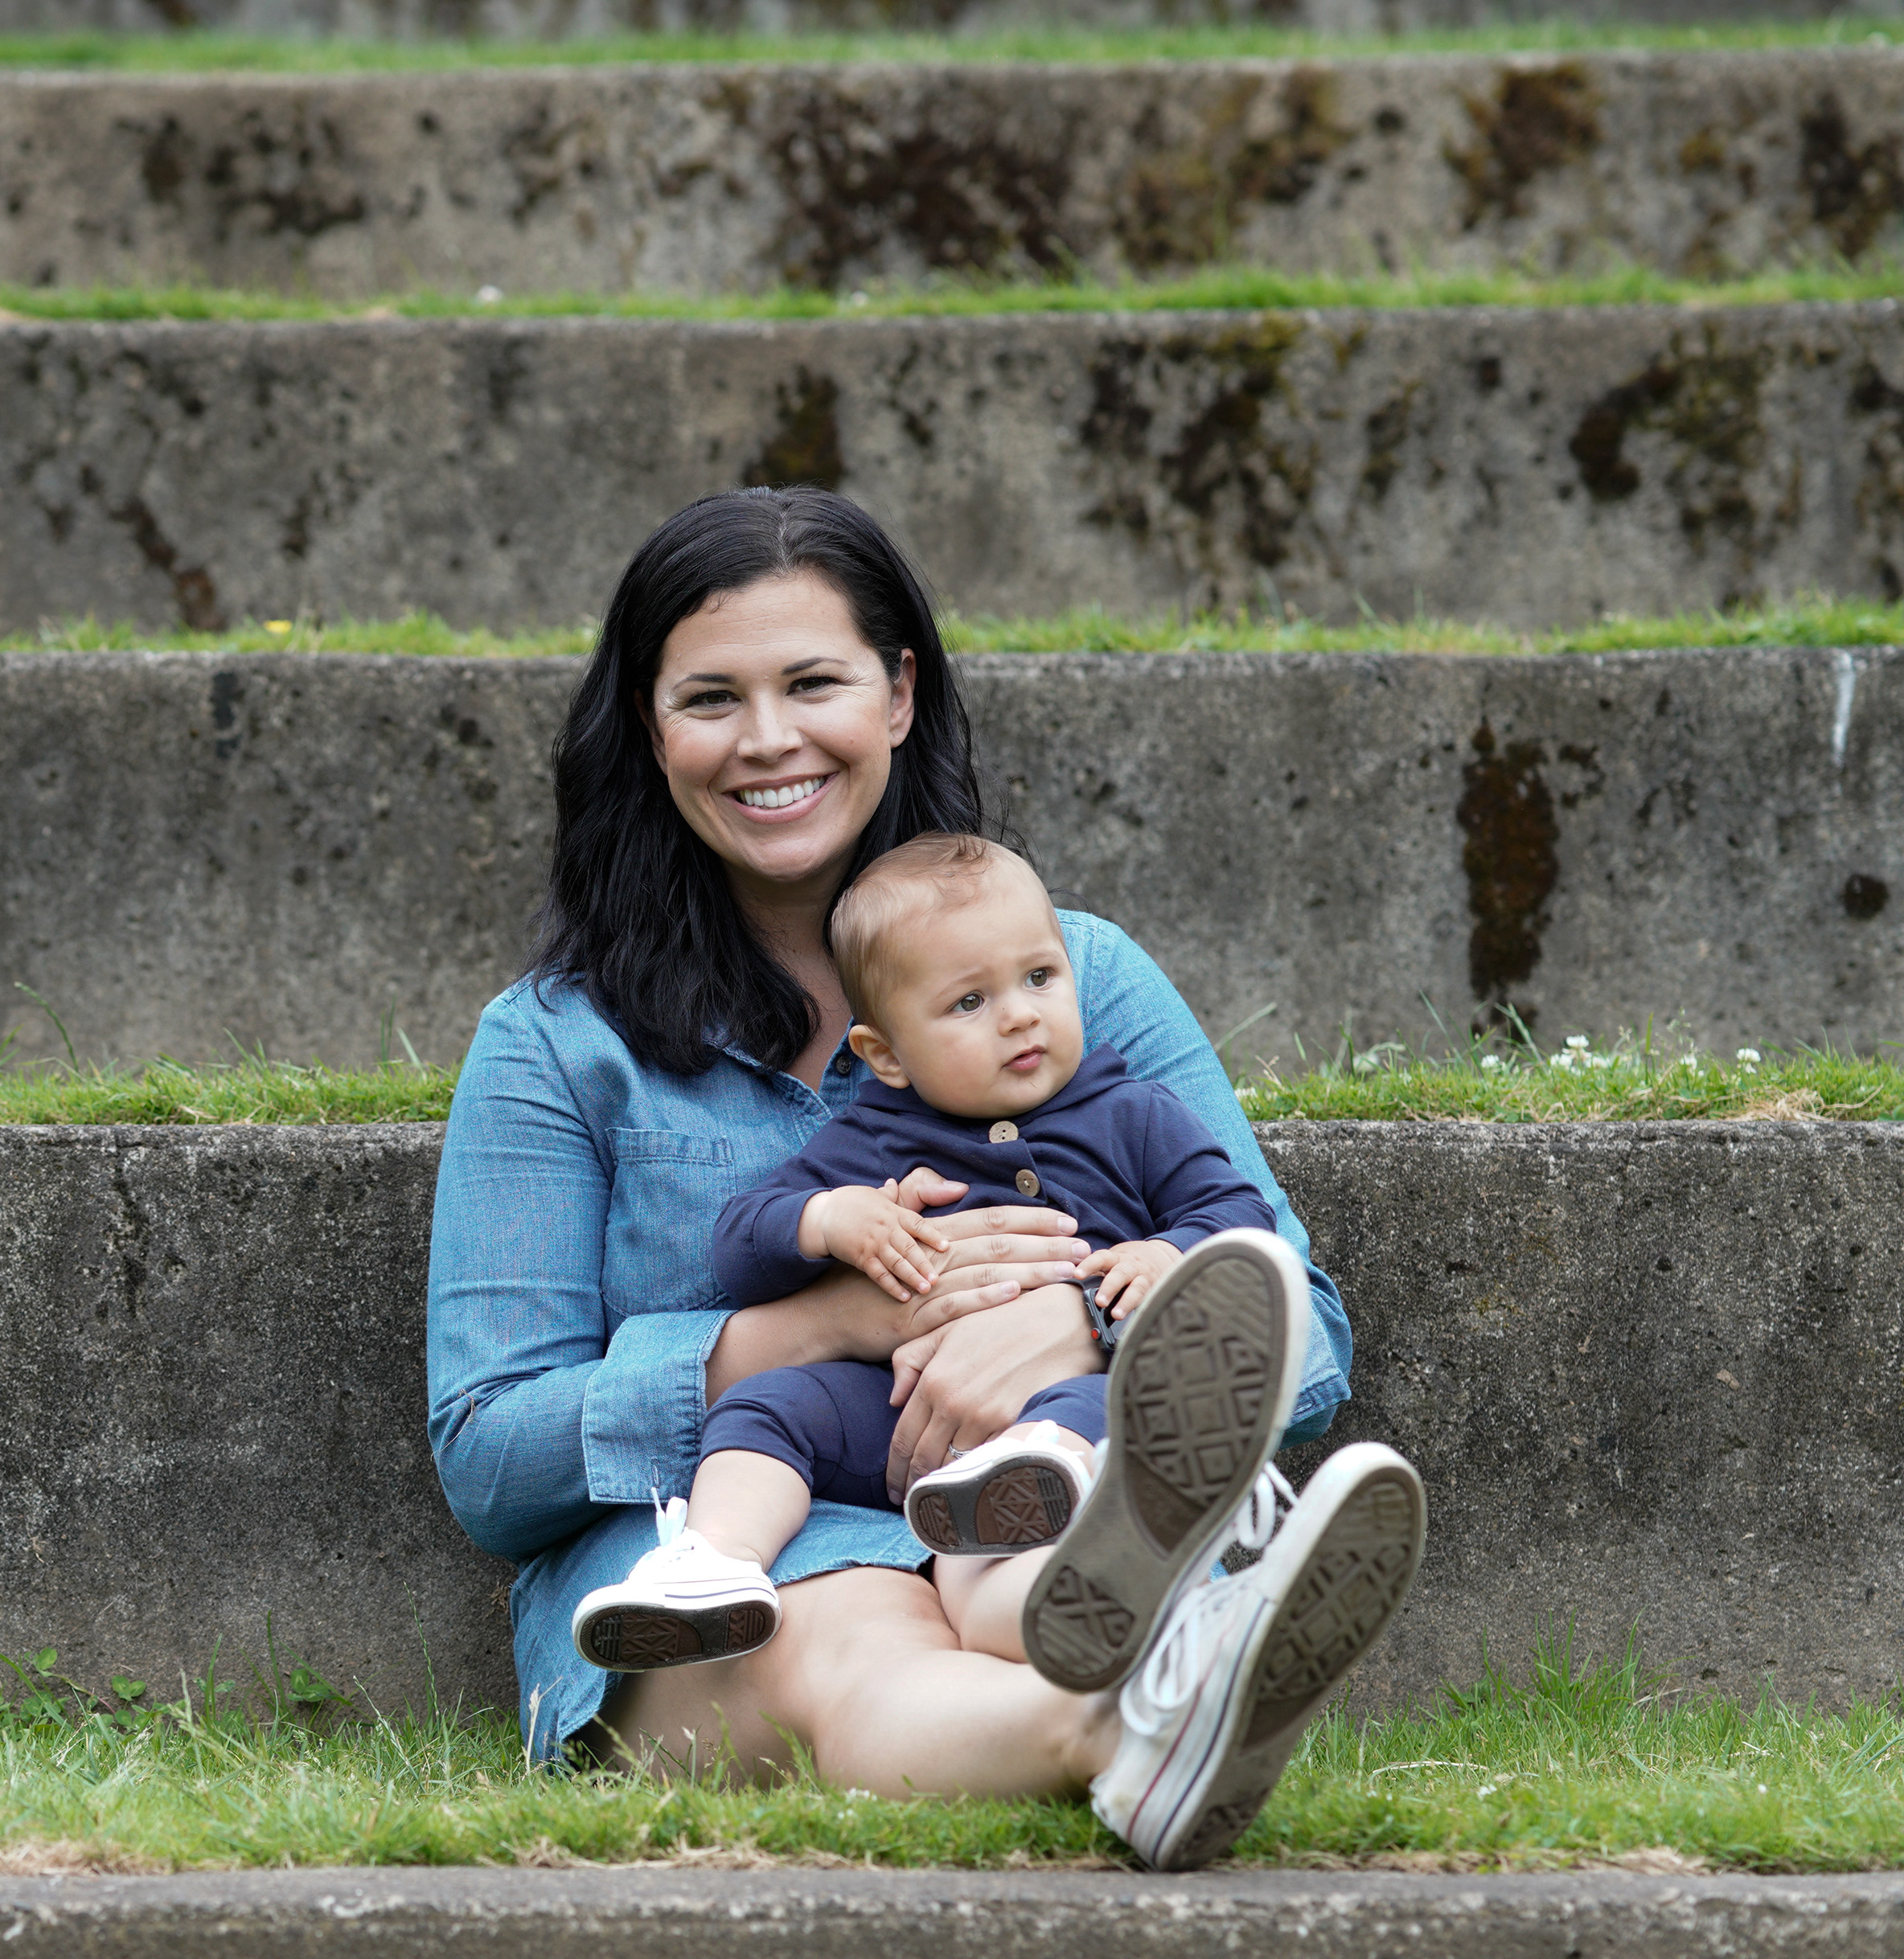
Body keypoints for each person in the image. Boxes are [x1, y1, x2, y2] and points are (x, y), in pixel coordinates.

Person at [424, 486, 1425, 1871]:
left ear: (897, 695)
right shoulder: (556, 1043)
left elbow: (1301, 1329)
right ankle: (1140, 1720)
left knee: (1022, 1576)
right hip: (713, 1567)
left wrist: (1077, 1324)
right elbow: (489, 1456)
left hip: (1031, 1503)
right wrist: (816, 1330)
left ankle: (1154, 1680)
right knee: (849, 1631)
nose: (766, 739)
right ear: (650, 733)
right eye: (710, 697)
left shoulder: (1075, 977)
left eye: (812, 683)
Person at [567, 832, 1288, 1685]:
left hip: (1070, 1401)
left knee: (1110, 1405)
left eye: (1040, 977)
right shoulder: (873, 1138)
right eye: (969, 1002)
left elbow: (1241, 1218)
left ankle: (1041, 1516)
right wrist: (829, 1219)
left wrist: (1170, 1252)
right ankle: (714, 1561)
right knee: (768, 1405)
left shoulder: (1134, 1112)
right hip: (896, 1410)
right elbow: (740, 1247)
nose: (1019, 1014)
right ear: (886, 1055)